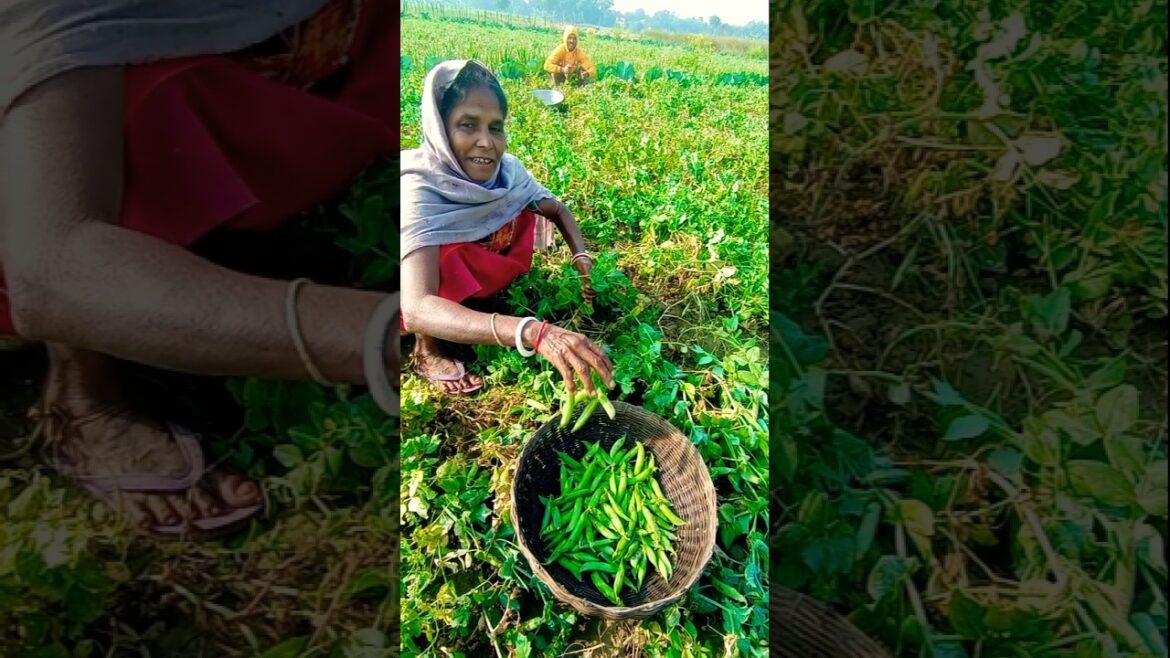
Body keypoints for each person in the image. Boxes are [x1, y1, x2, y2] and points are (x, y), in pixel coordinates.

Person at [0, 0, 400, 539]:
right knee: (137, 126)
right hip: (61, 122)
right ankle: (86, 387)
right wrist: (387, 334)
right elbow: (53, 269)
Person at [401, 60, 614, 398]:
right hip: (408, 286)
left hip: (473, 275)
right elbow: (416, 307)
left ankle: (473, 303)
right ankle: (428, 350)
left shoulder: (508, 174)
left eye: (495, 127)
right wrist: (532, 331)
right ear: (440, 127)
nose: (486, 142)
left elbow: (556, 208)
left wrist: (581, 255)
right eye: (468, 125)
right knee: (444, 253)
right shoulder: (420, 188)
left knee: (522, 213)